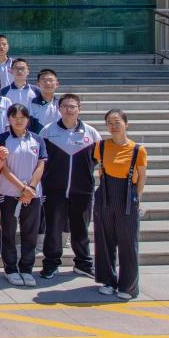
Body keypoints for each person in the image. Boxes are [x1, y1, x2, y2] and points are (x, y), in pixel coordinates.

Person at [40, 93, 101, 280]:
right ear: (59, 109)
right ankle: (51, 264)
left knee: (81, 229)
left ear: (79, 109)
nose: (68, 109)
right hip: (54, 191)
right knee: (53, 229)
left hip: (82, 192)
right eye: (65, 106)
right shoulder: (48, 131)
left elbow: (97, 160)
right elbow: (41, 160)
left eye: (72, 106)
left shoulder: (91, 133)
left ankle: (83, 264)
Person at [93, 109, 147, 301]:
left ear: (126, 124)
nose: (113, 126)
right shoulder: (101, 146)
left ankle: (128, 285)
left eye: (117, 122)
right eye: (109, 122)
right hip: (105, 194)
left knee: (128, 242)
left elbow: (142, 176)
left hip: (127, 196)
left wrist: (137, 199)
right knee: (104, 239)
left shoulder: (137, 149)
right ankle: (108, 280)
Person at [0, 104, 46, 288]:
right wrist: (21, 187)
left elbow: (41, 165)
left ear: (28, 119)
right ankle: (10, 269)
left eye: (22, 117)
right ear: (8, 119)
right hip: (9, 193)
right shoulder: (3, 138)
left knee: (30, 233)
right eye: (14, 117)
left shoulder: (37, 139)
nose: (18, 120)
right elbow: (3, 167)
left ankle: (26, 269)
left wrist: (30, 188)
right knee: (8, 233)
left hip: (33, 194)